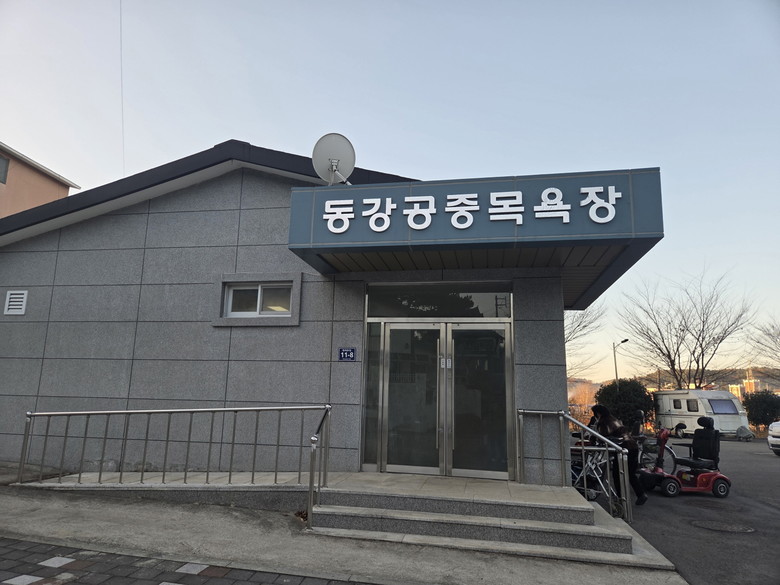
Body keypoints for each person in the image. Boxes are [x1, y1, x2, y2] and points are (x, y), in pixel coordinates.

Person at [590, 404, 648, 506]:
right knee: (630, 474)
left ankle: (621, 499)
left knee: (617, 475)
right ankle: (641, 494)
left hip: (622, 449)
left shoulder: (603, 422)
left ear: (598, 413)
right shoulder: (613, 419)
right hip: (633, 447)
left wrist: (593, 439)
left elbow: (602, 437)